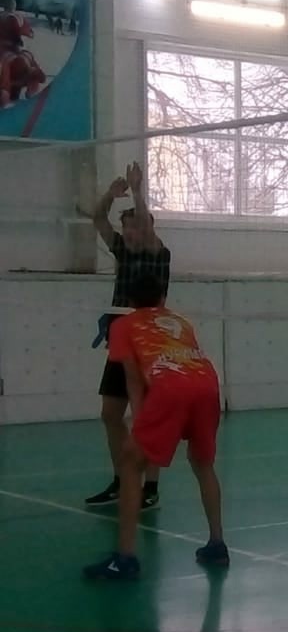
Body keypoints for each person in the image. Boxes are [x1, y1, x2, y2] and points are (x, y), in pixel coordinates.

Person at [83, 273, 226, 580]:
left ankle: (124, 557)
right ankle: (217, 544)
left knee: (130, 463)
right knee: (203, 464)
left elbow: (133, 378)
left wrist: (139, 419)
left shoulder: (123, 325)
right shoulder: (180, 321)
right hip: (207, 385)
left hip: (169, 386)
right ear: (163, 298)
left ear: (129, 301)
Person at [85, 162, 171, 511]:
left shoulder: (157, 255)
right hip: (120, 339)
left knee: (145, 416)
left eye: (136, 226)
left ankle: (150, 486)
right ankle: (123, 478)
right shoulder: (122, 250)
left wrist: (137, 190)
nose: (131, 232)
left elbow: (147, 231)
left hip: (149, 343)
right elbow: (97, 219)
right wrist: (110, 194)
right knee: (110, 414)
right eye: (127, 227)